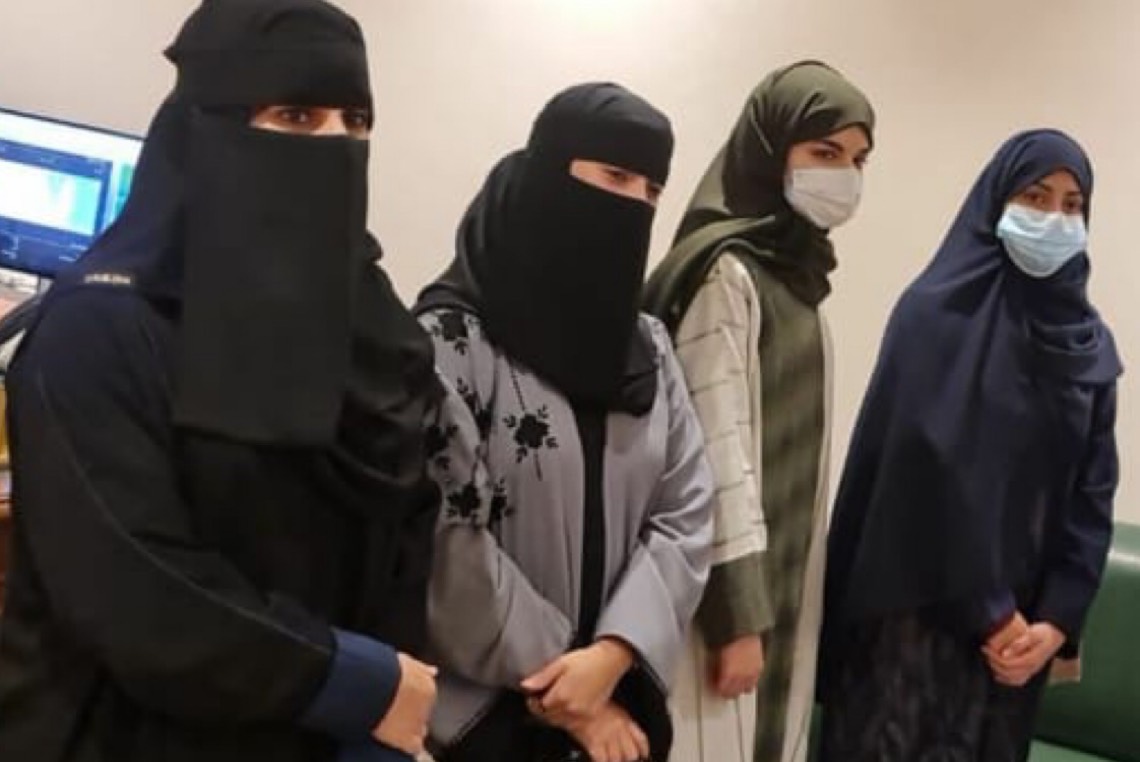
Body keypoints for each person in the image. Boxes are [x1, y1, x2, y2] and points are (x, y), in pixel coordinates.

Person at [0, 1, 443, 760]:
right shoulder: (100, 330)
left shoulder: (375, 331)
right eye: (296, 116)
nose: (335, 145)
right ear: (206, 128)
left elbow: (403, 536)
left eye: (356, 121)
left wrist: (381, 707)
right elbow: (133, 586)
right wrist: (353, 681)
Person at [415, 83, 714, 762]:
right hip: (481, 723)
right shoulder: (454, 340)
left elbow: (686, 511)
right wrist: (572, 692)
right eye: (615, 176)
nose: (635, 204)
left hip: (619, 709)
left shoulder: (647, 347)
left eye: (652, 190)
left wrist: (614, 654)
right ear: (552, 173)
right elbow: (443, 533)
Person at [819, 130, 1121, 762]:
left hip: (1018, 645)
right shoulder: (932, 317)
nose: (1054, 218)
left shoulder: (1087, 345)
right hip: (914, 616)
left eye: (1072, 205)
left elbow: (1092, 494)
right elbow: (917, 480)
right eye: (1035, 197)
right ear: (995, 202)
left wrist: (1056, 622)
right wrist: (992, 614)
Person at [643, 61, 875, 762]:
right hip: (722, 603)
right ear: (770, 152)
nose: (845, 176)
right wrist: (738, 616)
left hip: (785, 585)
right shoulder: (726, 273)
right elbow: (713, 450)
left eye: (858, 160)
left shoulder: (796, 283)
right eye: (825, 153)